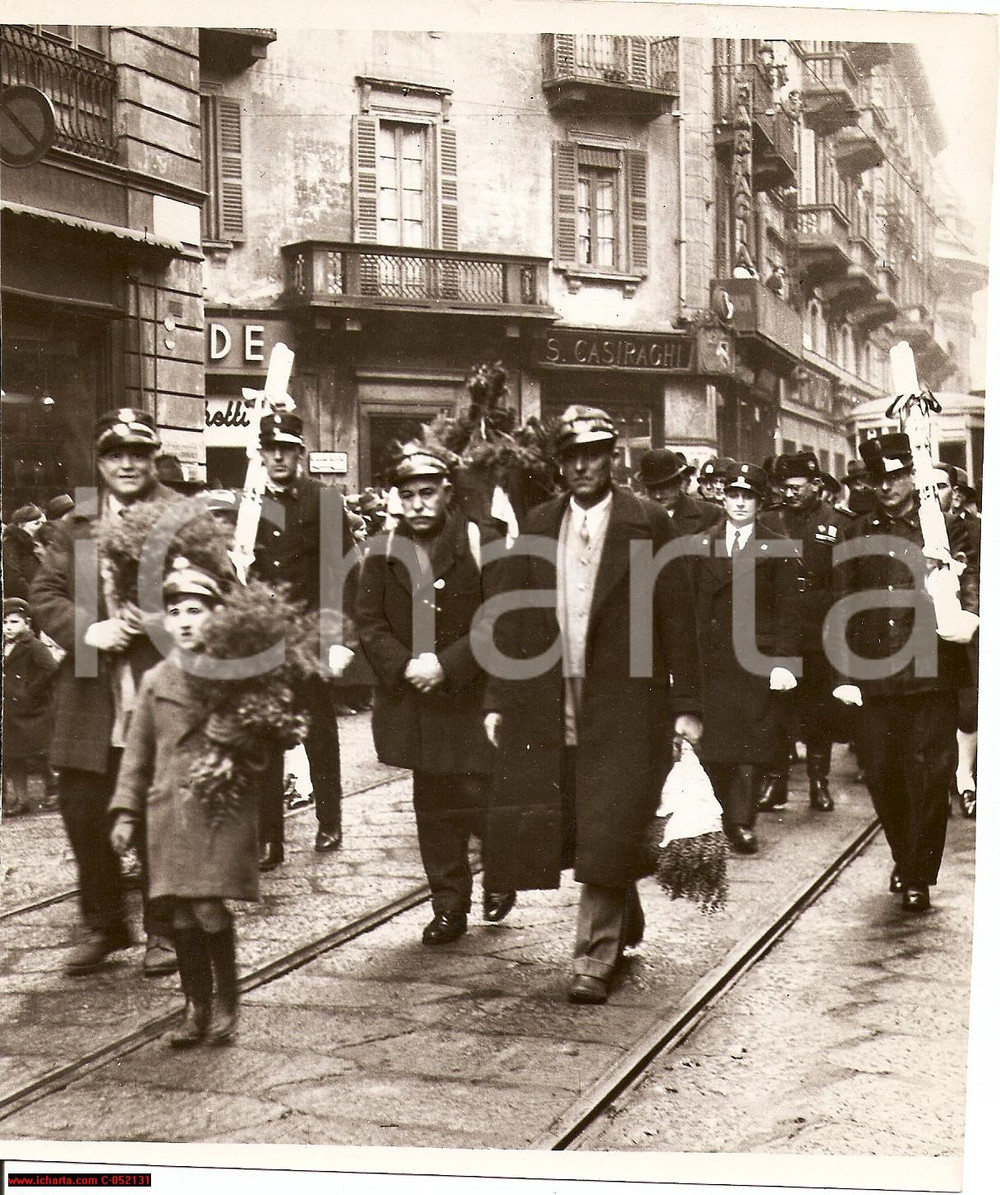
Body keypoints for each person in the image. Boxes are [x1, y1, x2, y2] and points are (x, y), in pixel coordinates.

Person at [484, 405, 702, 1005]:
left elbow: (678, 617)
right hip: (550, 694)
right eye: (572, 456)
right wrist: (500, 696)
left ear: (612, 457)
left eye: (594, 453)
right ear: (560, 465)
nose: (583, 465)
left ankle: (592, 957)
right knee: (585, 814)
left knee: (610, 808)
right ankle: (622, 909)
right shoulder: (537, 522)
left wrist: (687, 704)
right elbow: (512, 616)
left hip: (629, 696)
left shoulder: (649, 522)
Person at [30, 408, 179, 977]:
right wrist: (88, 630)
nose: (127, 464)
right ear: (99, 461)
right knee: (83, 812)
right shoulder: (77, 523)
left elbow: (219, 591)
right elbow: (43, 592)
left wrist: (161, 617)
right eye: (115, 455)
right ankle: (105, 923)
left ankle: (164, 932)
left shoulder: (178, 515)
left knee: (156, 814)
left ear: (153, 458)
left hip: (157, 685)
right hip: (91, 693)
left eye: (138, 454)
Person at [356, 444, 516, 944]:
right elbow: (369, 623)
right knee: (433, 803)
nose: (419, 504)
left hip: (470, 695)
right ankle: (448, 905)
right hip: (416, 699)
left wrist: (446, 666)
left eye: (428, 492)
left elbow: (500, 618)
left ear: (447, 492)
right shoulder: (382, 552)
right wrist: (406, 665)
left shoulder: (481, 539)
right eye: (408, 495)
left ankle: (501, 873)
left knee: (480, 795)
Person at [831, 433, 978, 913]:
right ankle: (904, 854)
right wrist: (845, 673)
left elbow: (972, 579)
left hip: (932, 669)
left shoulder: (944, 526)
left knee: (932, 774)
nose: (888, 486)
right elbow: (842, 603)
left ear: (913, 475)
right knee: (883, 771)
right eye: (880, 478)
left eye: (896, 475)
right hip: (876, 675)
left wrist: (967, 617)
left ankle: (919, 873)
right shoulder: (856, 532)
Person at [109, 558, 252, 1047]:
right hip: (168, 813)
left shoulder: (233, 676)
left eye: (197, 609)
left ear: (217, 615)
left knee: (208, 907)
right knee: (181, 914)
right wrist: (126, 810)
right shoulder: (155, 681)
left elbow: (269, 740)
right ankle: (196, 1007)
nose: (186, 620)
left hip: (217, 809)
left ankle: (227, 1002)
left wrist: (240, 738)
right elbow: (137, 753)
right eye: (175, 611)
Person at [249, 411, 360, 870]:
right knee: (267, 736)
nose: (279, 457)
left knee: (318, 732)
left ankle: (329, 819)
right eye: (271, 449)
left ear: (300, 454)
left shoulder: (324, 503)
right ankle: (269, 837)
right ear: (262, 454)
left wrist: (339, 637)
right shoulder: (251, 506)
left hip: (312, 636)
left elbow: (346, 572)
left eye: (288, 449)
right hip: (265, 641)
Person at [688, 462, 801, 854]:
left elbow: (789, 608)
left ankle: (741, 821)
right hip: (713, 656)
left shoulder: (778, 547)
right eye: (733, 495)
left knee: (752, 741)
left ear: (759, 501)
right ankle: (722, 815)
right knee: (716, 743)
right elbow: (693, 605)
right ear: (722, 497)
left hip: (758, 656)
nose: (739, 503)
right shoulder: (702, 543)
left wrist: (786, 659)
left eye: (747, 496)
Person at [757, 451, 851, 814]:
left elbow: (842, 582)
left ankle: (818, 782)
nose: (792, 493)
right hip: (777, 628)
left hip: (818, 628)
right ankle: (776, 781)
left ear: (816, 485)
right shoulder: (769, 519)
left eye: (799, 487)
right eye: (786, 487)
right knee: (776, 707)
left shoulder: (836, 523)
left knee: (818, 708)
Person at [930, 464, 979, 819]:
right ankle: (941, 781)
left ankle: (965, 777)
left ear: (955, 492)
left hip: (963, 632)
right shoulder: (907, 529)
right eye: (926, 488)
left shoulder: (974, 530)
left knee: (967, 708)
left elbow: (975, 579)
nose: (934, 493)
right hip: (921, 634)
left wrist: (972, 619)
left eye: (942, 486)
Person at [2, 597, 58, 816]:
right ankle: (21, 798)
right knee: (12, 754)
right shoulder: (5, 647)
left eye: (14, 622)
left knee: (39, 751)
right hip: (11, 710)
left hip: (32, 710)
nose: (8, 627)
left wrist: (30, 691)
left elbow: (50, 668)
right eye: (5, 622)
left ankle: (53, 786)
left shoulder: (33, 646)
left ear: (27, 624)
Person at [635, 449, 723, 535]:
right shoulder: (638, 518)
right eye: (652, 489)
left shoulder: (710, 514)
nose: (658, 496)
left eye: (664, 487)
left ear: (678, 483)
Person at [3, 503, 47, 600]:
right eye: (37, 523)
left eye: (44, 523)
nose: (42, 528)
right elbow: (13, 580)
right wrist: (37, 598)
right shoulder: (9, 544)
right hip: (23, 603)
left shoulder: (38, 545)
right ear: (20, 525)